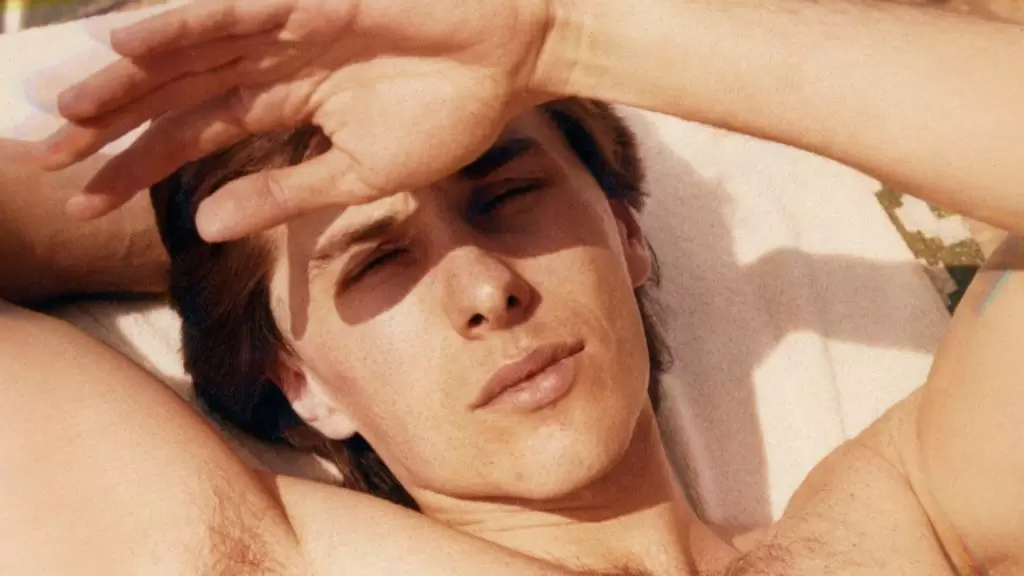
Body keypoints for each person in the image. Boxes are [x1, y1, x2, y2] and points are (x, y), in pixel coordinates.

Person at [2, 0, 1023, 574]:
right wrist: (206, 217)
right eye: (377, 259)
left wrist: (559, 37)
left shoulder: (896, 520)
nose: (486, 289)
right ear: (299, 379)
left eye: (508, 197)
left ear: (628, 232)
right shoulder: (249, 557)